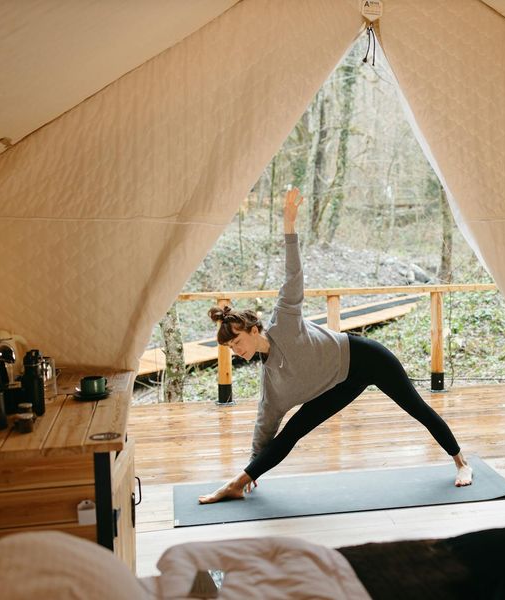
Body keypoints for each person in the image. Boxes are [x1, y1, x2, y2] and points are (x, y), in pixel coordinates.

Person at [198, 187, 472, 503]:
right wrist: (253, 465)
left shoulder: (284, 321)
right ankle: (237, 483)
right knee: (292, 431)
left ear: (254, 328)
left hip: (365, 358)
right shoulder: (271, 381)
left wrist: (289, 229)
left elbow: (293, 275)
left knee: (417, 408)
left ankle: (461, 463)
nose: (236, 350)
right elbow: (265, 422)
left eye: (237, 341)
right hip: (338, 384)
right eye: (230, 348)